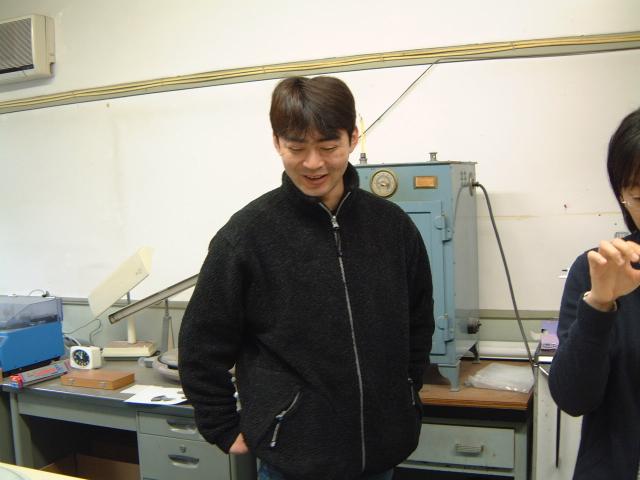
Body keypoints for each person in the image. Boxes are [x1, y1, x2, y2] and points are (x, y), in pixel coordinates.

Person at [178, 75, 434, 480]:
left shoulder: (392, 227)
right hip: (293, 458)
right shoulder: (246, 237)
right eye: (297, 148)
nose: (313, 163)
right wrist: (221, 426)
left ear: (353, 137)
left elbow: (418, 322)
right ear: (277, 142)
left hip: (381, 454)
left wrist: (405, 391)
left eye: (329, 147)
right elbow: (200, 344)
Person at [549, 107, 640, 479]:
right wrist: (600, 305)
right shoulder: (599, 270)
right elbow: (573, 399)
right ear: (623, 196)